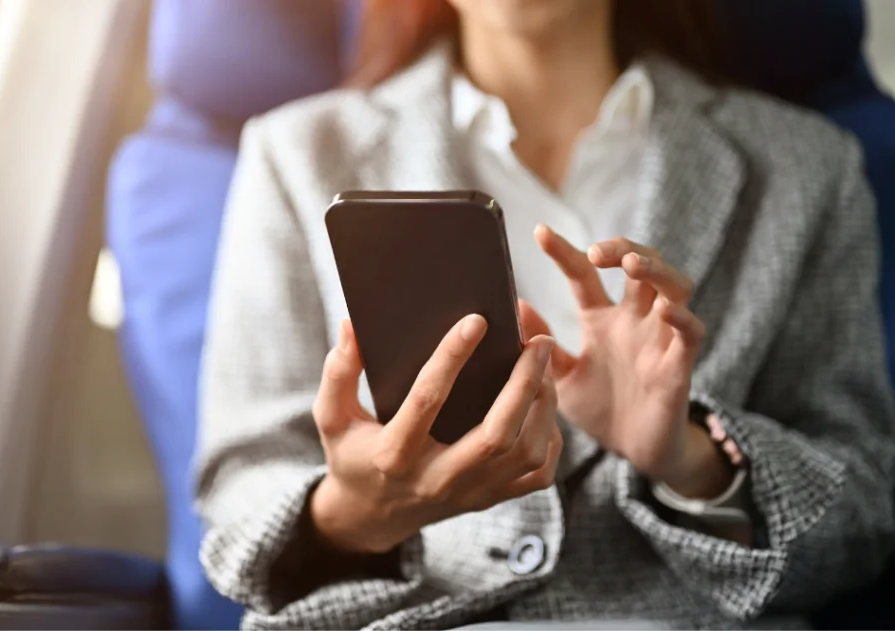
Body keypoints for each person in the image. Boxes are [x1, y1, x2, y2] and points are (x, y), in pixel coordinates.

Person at [194, 0, 895, 629]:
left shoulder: (807, 165)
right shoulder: (296, 153)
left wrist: (690, 457)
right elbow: (240, 487)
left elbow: (862, 518)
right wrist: (358, 511)